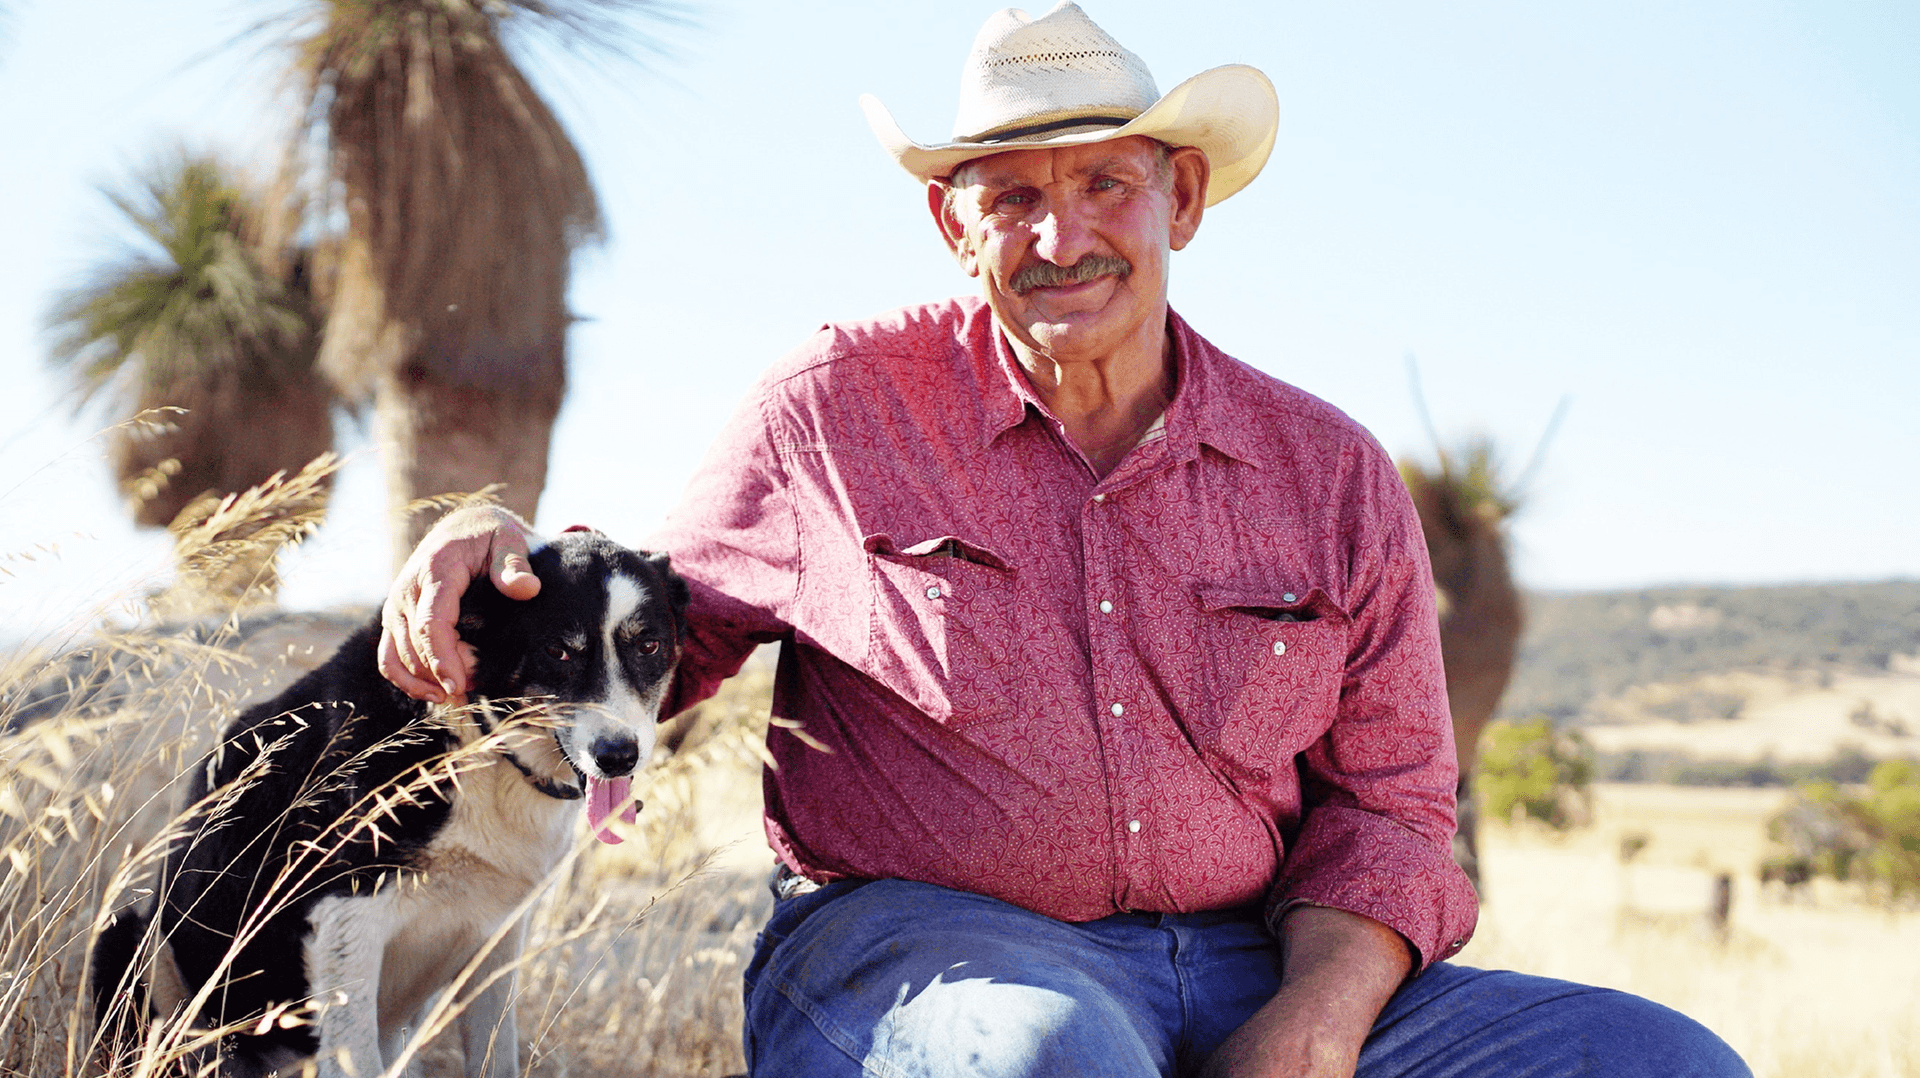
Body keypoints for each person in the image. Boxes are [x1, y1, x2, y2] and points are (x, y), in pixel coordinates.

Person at [378, 5, 1752, 1076]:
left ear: (1184, 203)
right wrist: (495, 559)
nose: (1062, 233)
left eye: (1107, 186)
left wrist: (1322, 1016)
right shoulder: (831, 410)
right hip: (912, 955)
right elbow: (650, 639)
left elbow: (1394, 807)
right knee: (1053, 1055)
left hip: (1259, 964)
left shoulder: (1328, 473)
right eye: (1014, 196)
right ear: (952, 224)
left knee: (1662, 1058)